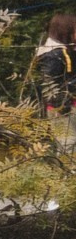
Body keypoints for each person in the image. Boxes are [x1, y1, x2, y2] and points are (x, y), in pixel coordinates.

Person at [37, 13, 76, 144]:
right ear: (66, 31)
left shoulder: (67, 51)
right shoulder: (53, 54)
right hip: (60, 108)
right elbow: (50, 85)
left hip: (70, 104)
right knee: (68, 143)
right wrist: (61, 107)